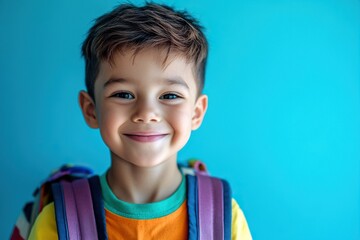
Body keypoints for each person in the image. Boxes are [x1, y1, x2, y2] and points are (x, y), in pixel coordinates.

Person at [28, 2, 252, 239]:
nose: (146, 112)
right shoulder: (58, 220)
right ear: (91, 110)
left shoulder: (225, 219)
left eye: (170, 96)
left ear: (196, 113)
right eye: (123, 94)